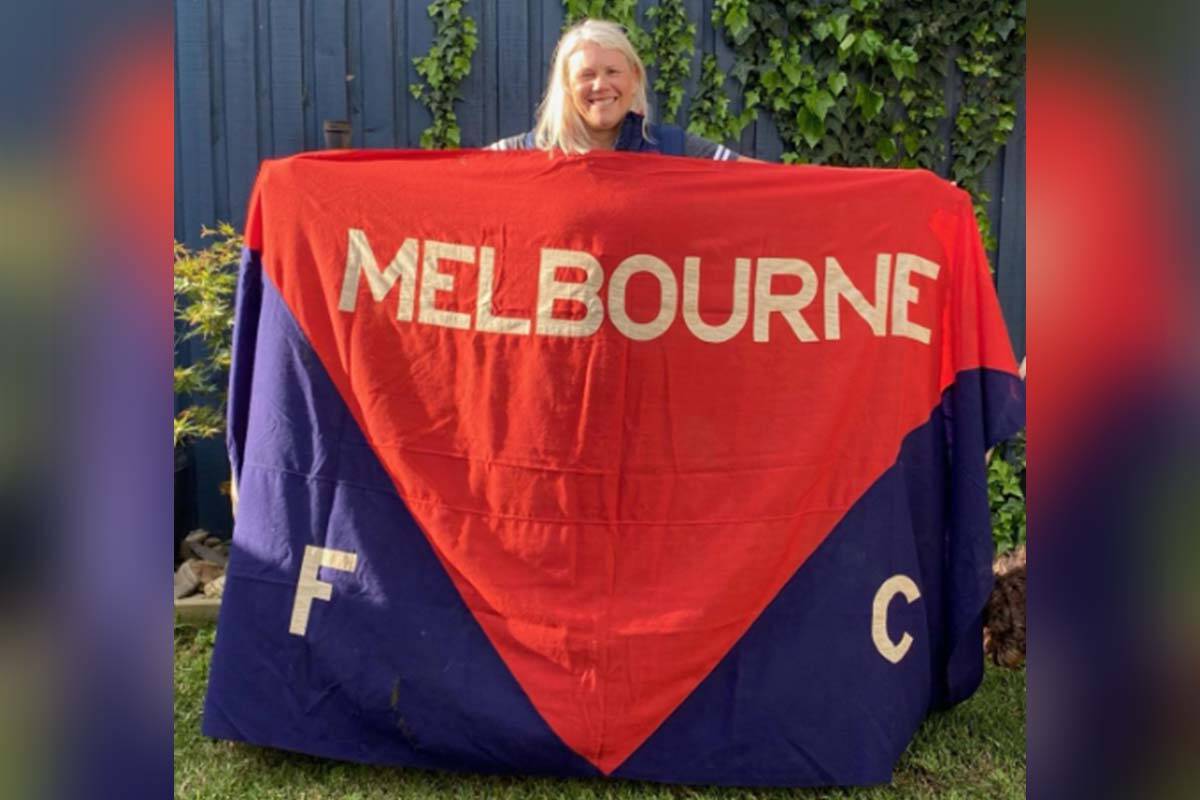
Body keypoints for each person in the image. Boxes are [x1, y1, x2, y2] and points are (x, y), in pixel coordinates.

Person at [487, 19, 745, 161]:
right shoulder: (527, 151)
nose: (600, 85)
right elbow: (454, 179)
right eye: (586, 75)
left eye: (612, 72)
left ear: (634, 78)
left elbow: (768, 182)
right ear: (566, 85)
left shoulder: (672, 148)